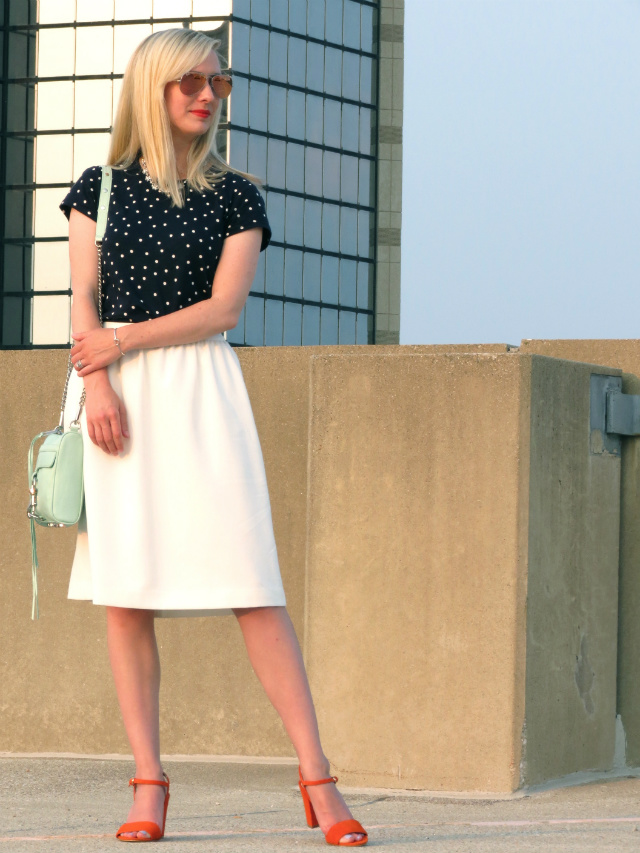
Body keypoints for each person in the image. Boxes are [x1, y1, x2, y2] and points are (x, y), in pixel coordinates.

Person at [60, 28, 367, 847]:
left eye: (217, 84)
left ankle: (317, 776)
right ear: (152, 88)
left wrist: (118, 347)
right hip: (112, 391)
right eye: (189, 80)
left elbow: (224, 311)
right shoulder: (97, 190)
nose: (206, 94)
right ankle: (148, 780)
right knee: (125, 597)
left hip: (200, 389)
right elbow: (81, 300)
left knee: (253, 583)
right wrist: (96, 382)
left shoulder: (238, 196)